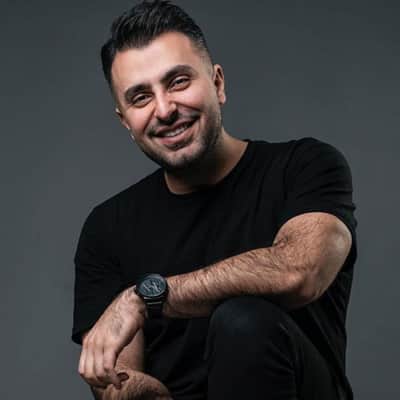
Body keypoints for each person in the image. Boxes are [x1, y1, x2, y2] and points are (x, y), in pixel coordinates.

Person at [72, 1, 357, 399]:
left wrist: (145, 298)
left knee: (242, 318)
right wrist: (133, 390)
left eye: (178, 82)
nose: (164, 110)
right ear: (126, 121)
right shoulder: (107, 227)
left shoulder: (304, 165)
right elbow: (117, 377)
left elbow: (301, 271)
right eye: (141, 98)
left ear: (217, 83)